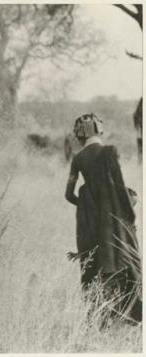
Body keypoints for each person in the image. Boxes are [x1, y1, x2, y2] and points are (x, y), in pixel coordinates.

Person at [65, 113, 141, 324]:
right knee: (124, 260)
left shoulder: (78, 159)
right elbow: (119, 186)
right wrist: (130, 205)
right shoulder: (109, 153)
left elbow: (69, 195)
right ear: (99, 130)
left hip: (88, 222)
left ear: (81, 134)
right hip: (113, 218)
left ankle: (98, 319)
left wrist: (86, 205)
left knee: (92, 266)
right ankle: (128, 316)